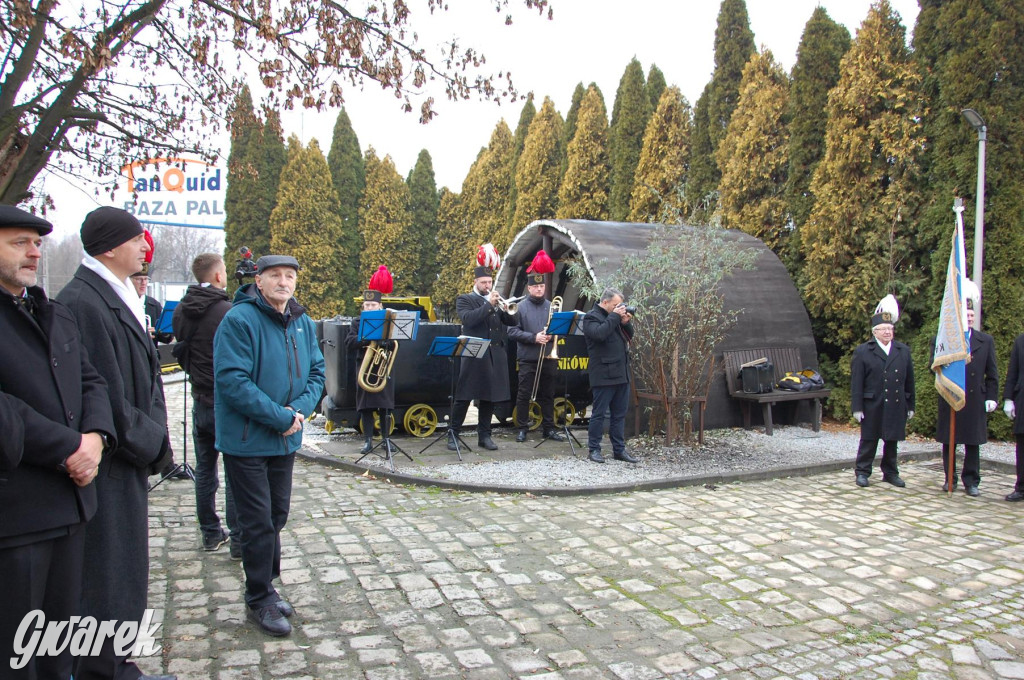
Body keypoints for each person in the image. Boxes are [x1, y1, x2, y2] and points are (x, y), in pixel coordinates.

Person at [56, 206, 175, 680]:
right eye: (135, 240)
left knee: (124, 569)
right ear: (109, 247)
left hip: (127, 458)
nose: (144, 247)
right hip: (111, 461)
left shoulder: (113, 292)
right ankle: (104, 670)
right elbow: (101, 392)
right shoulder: (83, 302)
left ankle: (118, 663)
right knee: (107, 572)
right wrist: (154, 441)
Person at [0, 205, 115, 680]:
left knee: (57, 646)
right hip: (18, 513)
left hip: (72, 506)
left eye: (37, 243)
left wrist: (96, 437)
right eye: (19, 243)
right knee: (17, 654)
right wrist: (69, 447)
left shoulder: (52, 312)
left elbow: (92, 381)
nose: (33, 251)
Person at [214, 255, 325, 637]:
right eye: (275, 276)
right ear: (258, 282)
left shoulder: (302, 322)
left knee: (277, 515)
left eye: (289, 276)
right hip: (247, 439)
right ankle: (258, 596)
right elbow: (233, 380)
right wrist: (280, 417)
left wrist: (299, 411)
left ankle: (269, 584)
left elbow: (317, 372)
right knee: (257, 521)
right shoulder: (239, 320)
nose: (283, 282)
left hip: (286, 438)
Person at [171, 253, 238, 553]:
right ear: (217, 276)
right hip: (224, 402)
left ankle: (210, 532)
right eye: (223, 271)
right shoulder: (226, 311)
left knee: (205, 470)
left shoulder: (182, 310)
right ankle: (238, 539)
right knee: (236, 471)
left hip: (199, 398)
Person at [932, 279, 998, 497]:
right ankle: (949, 478)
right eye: (965, 315)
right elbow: (934, 366)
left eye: (971, 316)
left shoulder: (985, 340)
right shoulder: (943, 340)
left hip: (975, 399)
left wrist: (992, 397)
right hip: (951, 394)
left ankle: (971, 481)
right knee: (950, 441)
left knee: (972, 442)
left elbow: (992, 373)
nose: (969, 318)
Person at [449, 263, 516, 451]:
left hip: (495, 354)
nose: (487, 285)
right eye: (484, 282)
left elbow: (513, 321)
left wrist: (504, 308)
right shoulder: (465, 299)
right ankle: (453, 434)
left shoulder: (496, 302)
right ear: (475, 282)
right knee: (464, 396)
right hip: (474, 353)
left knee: (489, 397)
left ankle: (484, 436)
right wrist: (489, 305)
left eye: (490, 281)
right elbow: (469, 319)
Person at [850, 294, 915, 488]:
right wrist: (857, 407)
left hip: (896, 403)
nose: (887, 332)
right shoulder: (863, 351)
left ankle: (890, 472)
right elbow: (857, 382)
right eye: (883, 329)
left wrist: (910, 405)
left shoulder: (903, 351)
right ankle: (862, 472)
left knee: (892, 440)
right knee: (869, 440)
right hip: (873, 403)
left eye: (890, 329)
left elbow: (909, 380)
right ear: (875, 332)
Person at [507, 268, 566, 443]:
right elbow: (511, 332)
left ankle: (548, 429)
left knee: (548, 394)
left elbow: (562, 330)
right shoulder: (519, 308)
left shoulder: (552, 306)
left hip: (549, 356)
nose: (540, 289)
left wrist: (552, 336)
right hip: (528, 358)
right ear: (529, 289)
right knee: (524, 393)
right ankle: (522, 429)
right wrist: (534, 337)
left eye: (542, 286)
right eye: (536, 286)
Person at [582, 287, 636, 464]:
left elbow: (630, 336)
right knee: (598, 414)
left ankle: (619, 450)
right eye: (615, 305)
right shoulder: (591, 317)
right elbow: (599, 334)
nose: (619, 308)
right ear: (605, 302)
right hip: (603, 374)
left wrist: (625, 322)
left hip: (621, 372)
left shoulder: (615, 318)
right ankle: (594, 450)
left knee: (619, 414)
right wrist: (615, 317)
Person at [346, 266, 397, 454]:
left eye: (373, 306)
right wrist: (367, 339)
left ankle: (386, 440)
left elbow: (394, 345)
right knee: (366, 407)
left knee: (384, 407)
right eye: (366, 306)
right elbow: (349, 342)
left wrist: (387, 341)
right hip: (365, 368)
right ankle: (367, 440)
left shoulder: (388, 321)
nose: (369, 308)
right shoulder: (357, 322)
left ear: (380, 306)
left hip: (383, 368)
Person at [1001, 331, 1024, 502]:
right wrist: (1009, 398)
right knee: (1022, 447)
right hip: (1023, 399)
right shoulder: (1020, 341)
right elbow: (1013, 371)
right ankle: (1021, 487)